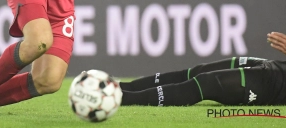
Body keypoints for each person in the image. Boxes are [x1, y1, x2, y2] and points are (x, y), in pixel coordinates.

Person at [120, 31, 286, 106]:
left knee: (206, 83)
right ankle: (118, 87)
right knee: (197, 71)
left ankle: (122, 98)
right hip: (275, 66)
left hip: (278, 85)